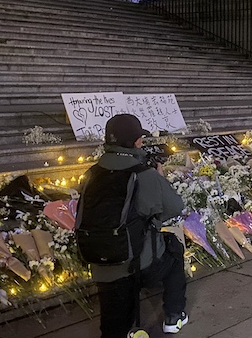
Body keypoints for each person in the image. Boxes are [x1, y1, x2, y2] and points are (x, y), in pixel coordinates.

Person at [79, 114, 188, 337]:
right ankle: (174, 317)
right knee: (174, 249)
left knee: (113, 324)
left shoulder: (90, 174)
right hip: (138, 263)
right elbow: (175, 207)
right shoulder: (145, 174)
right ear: (137, 141)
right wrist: (160, 183)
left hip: (99, 261)